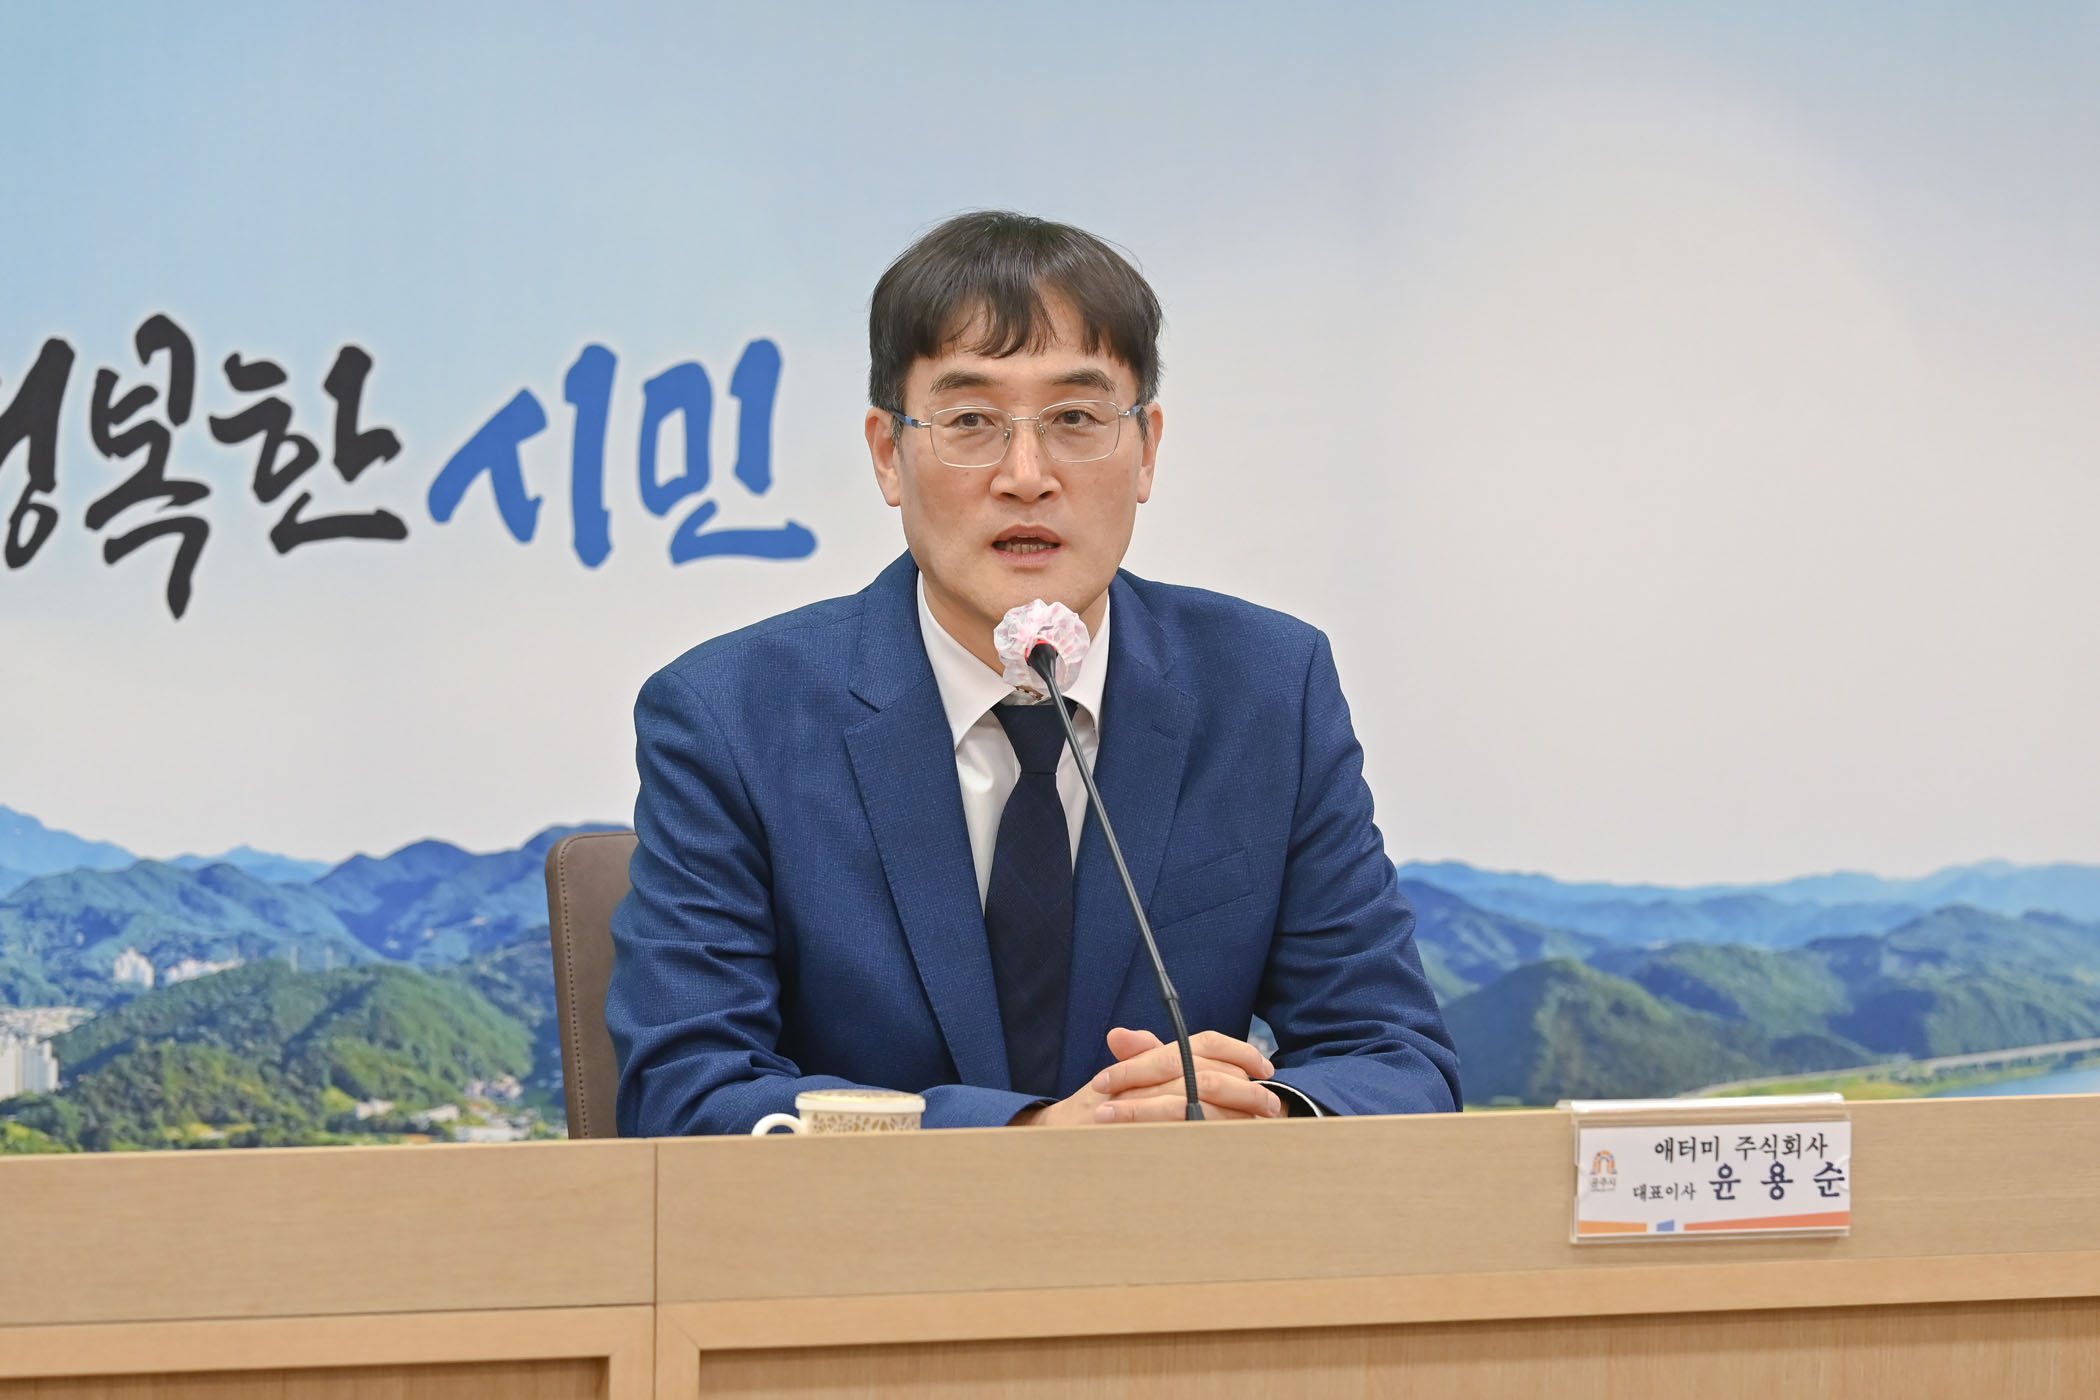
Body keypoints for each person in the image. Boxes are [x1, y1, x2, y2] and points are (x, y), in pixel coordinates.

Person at [607, 211, 1460, 1133]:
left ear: (1147, 450)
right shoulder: (731, 715)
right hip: (886, 1230)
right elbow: (689, 1092)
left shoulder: (1267, 690)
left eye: (1076, 419)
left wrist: (1261, 1113)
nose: (1026, 474)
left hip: (1187, 1223)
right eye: (971, 421)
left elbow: (1396, 1059)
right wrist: (1026, 1138)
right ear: (889, 455)